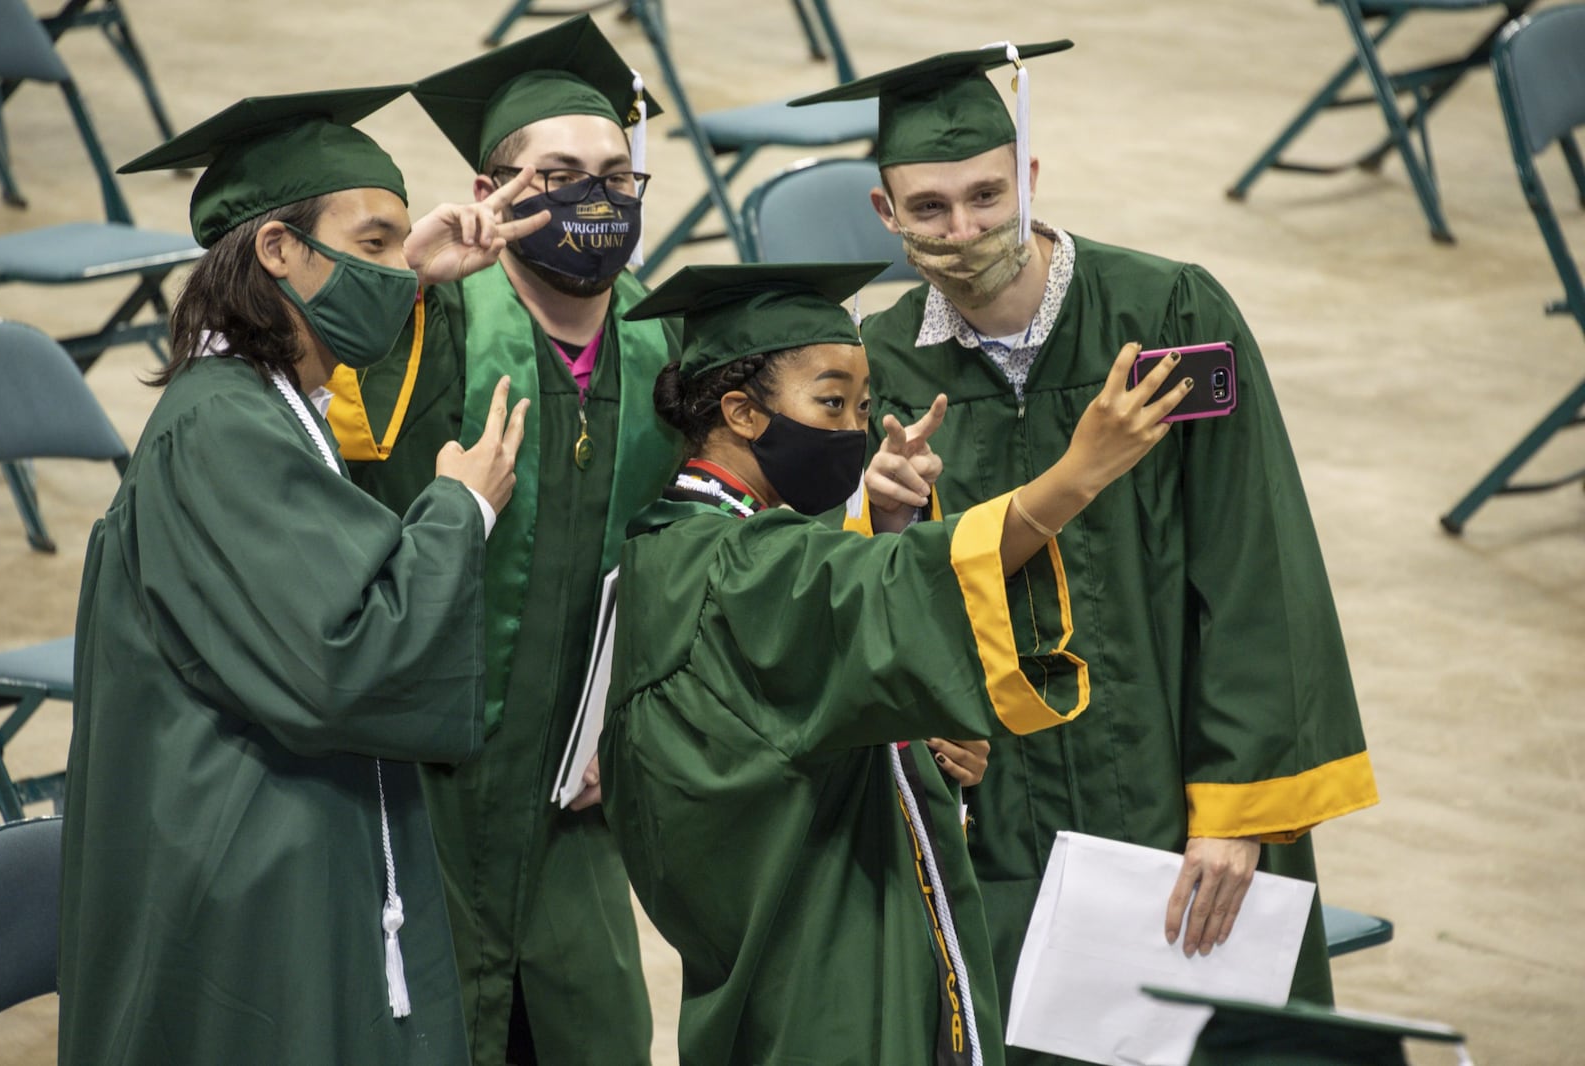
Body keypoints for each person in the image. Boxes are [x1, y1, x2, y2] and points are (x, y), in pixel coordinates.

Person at [793, 42, 1381, 1063]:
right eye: (928, 209)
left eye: (985, 195)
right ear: (884, 215)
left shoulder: (1164, 317)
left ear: (1027, 178)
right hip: (1003, 822)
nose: (964, 229)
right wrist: (874, 523)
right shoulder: (874, 369)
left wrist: (1239, 811)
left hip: (1182, 793)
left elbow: (1256, 566)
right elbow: (846, 611)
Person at [58, 87, 548, 1066]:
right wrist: (462, 508)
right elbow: (345, 658)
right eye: (370, 244)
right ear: (279, 251)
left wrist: (404, 271)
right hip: (240, 867)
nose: (388, 268)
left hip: (273, 834)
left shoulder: (264, 403)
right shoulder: (223, 427)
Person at [599, 261, 1193, 1065]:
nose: (854, 430)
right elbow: (884, 590)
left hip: (804, 945)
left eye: (865, 405)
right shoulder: (729, 567)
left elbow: (794, 696)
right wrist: (1077, 472)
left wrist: (912, 750)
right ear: (740, 412)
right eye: (831, 402)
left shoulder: (675, 543)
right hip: (823, 964)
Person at [325, 18, 677, 1065]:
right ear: (492, 188)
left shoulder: (667, 346)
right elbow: (327, 459)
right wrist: (414, 286)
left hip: (579, 785)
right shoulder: (427, 325)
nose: (595, 199)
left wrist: (640, 709)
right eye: (559, 175)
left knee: (592, 1027)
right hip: (424, 772)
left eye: (617, 174)